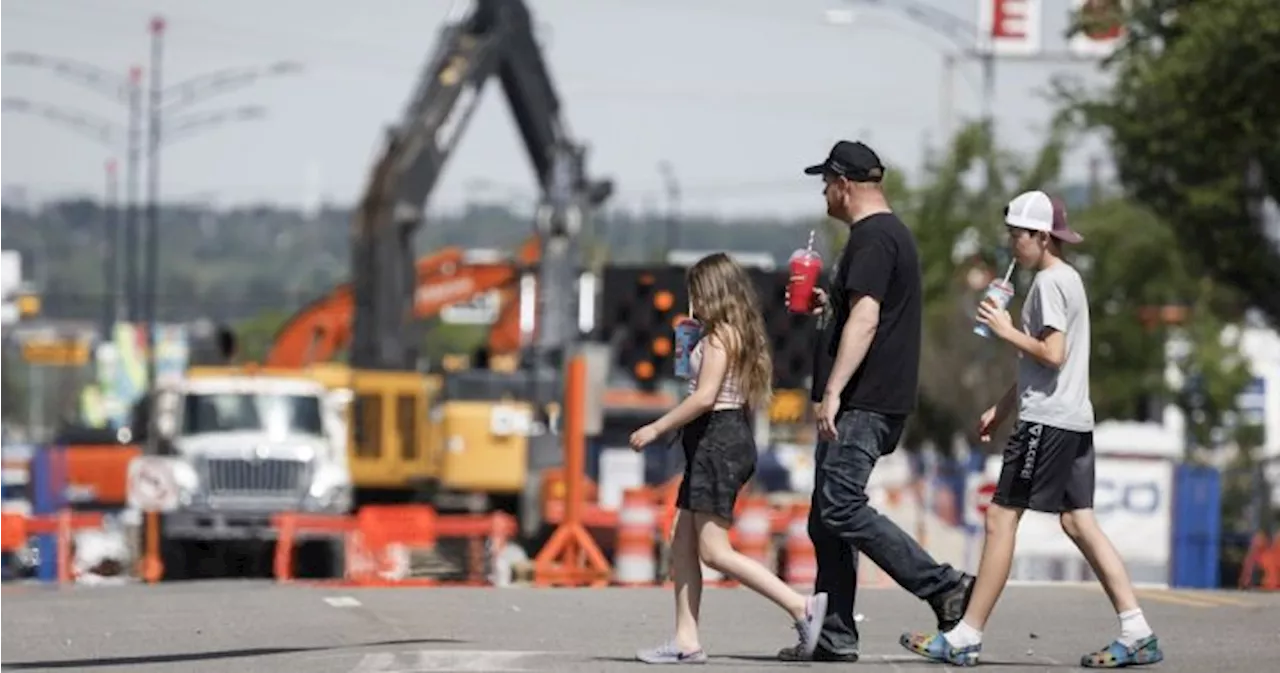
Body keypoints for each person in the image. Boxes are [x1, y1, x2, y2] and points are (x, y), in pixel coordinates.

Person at [899, 191, 1164, 668]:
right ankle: (1137, 630)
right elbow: (1041, 362)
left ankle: (965, 636)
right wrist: (1001, 407)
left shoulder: (1049, 283)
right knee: (1077, 521)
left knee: (1001, 518)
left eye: (1017, 236)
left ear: (1042, 237)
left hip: (1048, 421)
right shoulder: (1065, 279)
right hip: (1071, 418)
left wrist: (1003, 329)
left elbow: (1053, 353)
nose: (1011, 245)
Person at [778, 140, 974, 663]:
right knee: (825, 516)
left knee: (840, 506)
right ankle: (836, 635)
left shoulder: (873, 239)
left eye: (826, 182)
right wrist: (830, 301)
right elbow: (863, 310)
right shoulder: (885, 237)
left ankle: (944, 587)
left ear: (844, 184)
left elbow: (867, 321)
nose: (823, 191)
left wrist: (835, 391)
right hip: (868, 399)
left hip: (865, 400)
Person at [630, 252, 829, 665]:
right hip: (712, 440)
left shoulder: (722, 336)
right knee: (681, 542)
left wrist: (657, 428)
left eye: (697, 294)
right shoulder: (719, 333)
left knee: (714, 552)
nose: (693, 302)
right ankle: (686, 640)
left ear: (714, 292)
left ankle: (800, 606)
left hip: (717, 441)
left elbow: (705, 398)